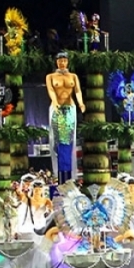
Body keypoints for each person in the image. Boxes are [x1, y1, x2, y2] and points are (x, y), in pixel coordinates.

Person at [45, 51, 85, 182]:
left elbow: (77, 91)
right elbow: (51, 90)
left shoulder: (73, 76)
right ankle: (59, 173)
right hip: (57, 108)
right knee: (56, 140)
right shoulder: (50, 76)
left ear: (67, 62)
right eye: (60, 60)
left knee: (69, 140)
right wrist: (55, 101)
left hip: (70, 108)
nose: (62, 63)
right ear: (56, 62)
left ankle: (70, 174)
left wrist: (81, 103)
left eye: (64, 60)